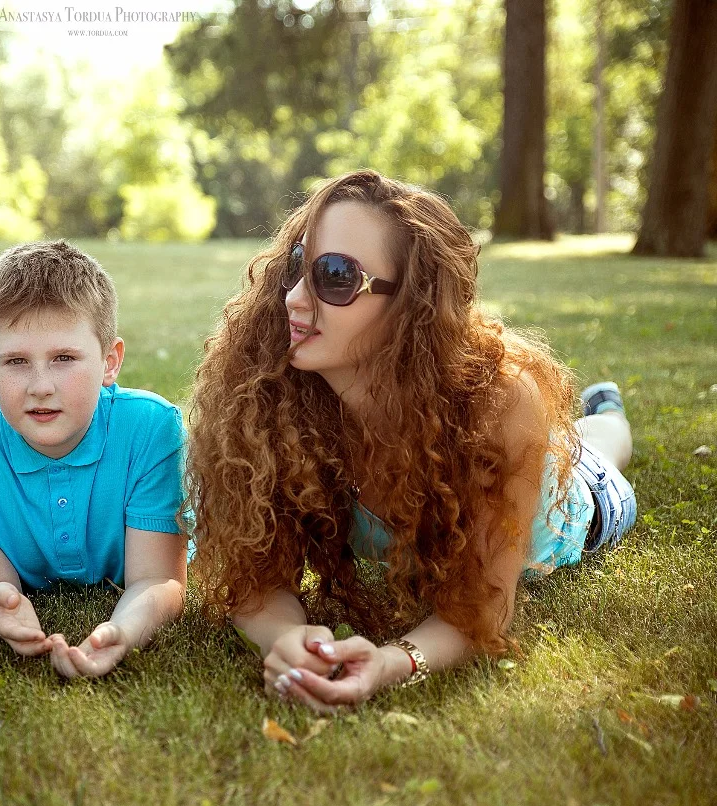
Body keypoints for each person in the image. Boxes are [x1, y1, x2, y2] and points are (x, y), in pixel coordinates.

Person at [186, 170, 637, 713]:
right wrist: (285, 640)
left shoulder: (500, 405)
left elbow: (484, 609)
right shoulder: (276, 399)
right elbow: (257, 582)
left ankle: (606, 409)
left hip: (576, 508)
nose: (294, 299)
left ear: (409, 303)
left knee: (601, 448)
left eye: (334, 276)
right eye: (295, 267)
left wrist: (392, 662)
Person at [0, 240, 188, 679]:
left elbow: (157, 578)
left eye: (64, 358)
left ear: (110, 362)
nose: (41, 386)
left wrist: (124, 630)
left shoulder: (152, 428)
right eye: (16, 361)